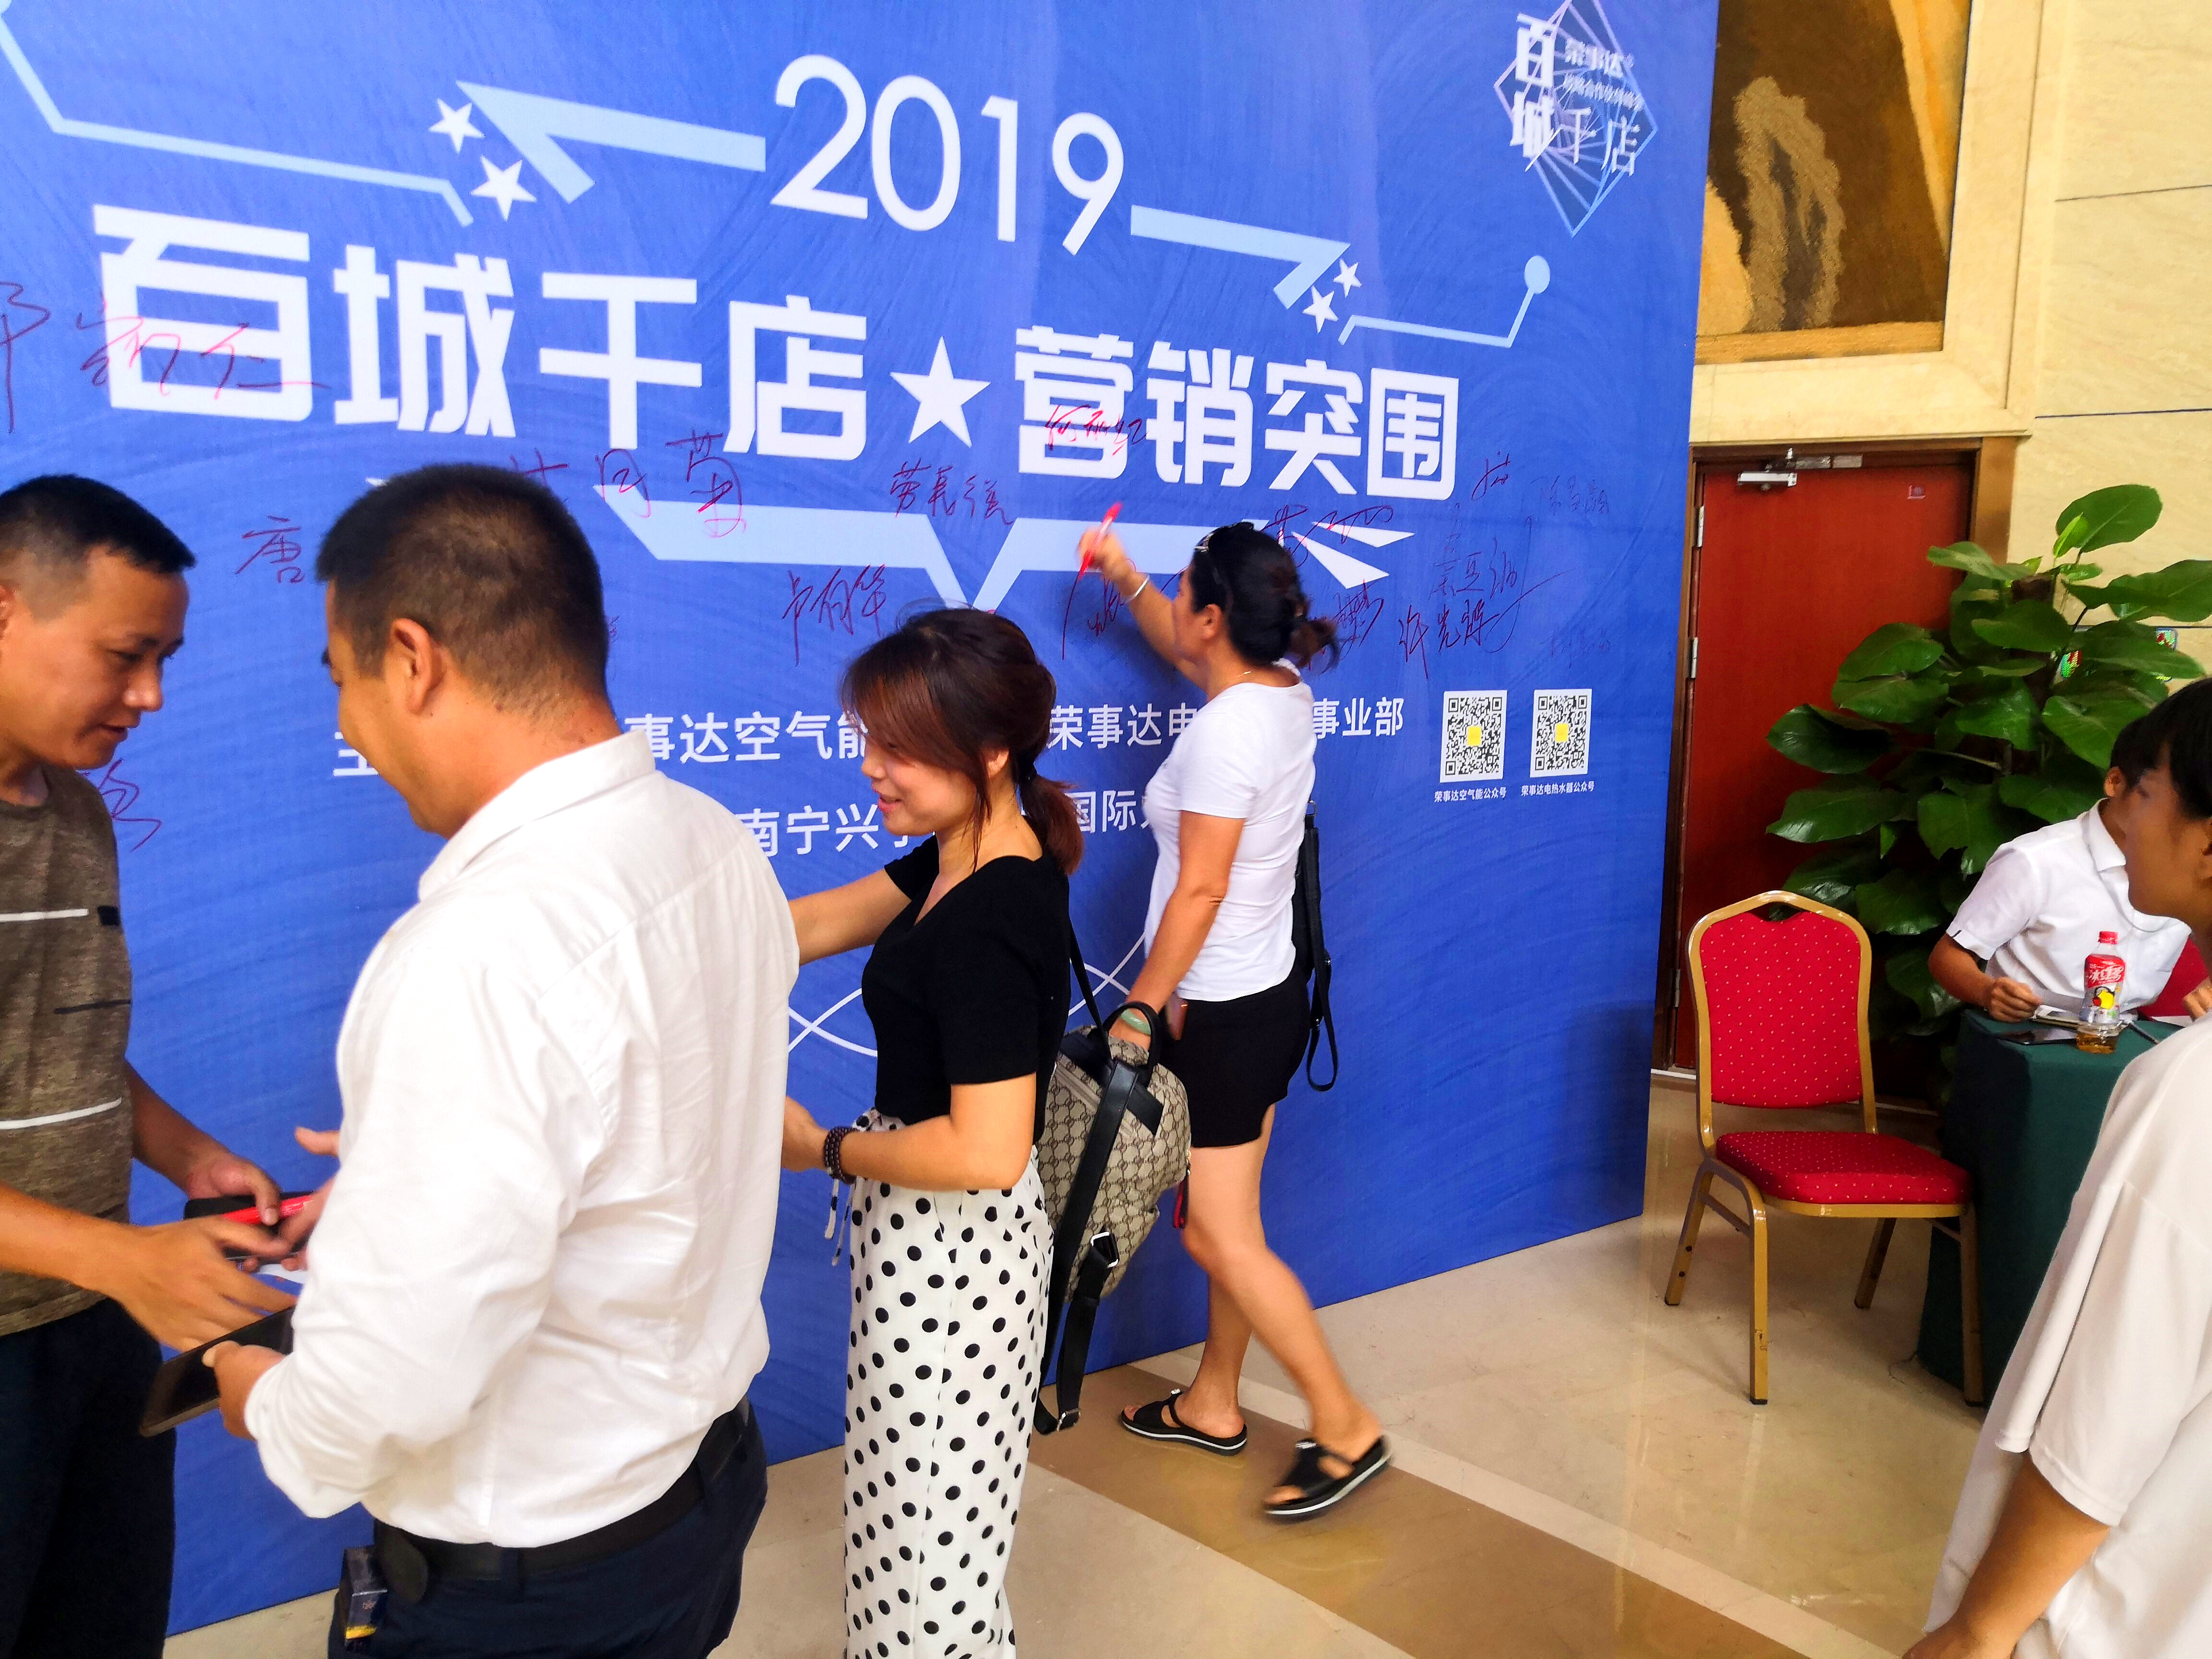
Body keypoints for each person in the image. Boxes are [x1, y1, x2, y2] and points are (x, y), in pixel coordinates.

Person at [204, 465, 795, 1659]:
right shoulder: (713, 841)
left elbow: (394, 1380)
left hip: (532, 1578)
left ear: (411, 659)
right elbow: (644, 1147)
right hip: (698, 1491)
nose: (345, 725)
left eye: (341, 678)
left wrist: (266, 1399)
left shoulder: (476, 951)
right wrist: (400, 1181)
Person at [0, 474, 292, 1659]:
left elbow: (61, 1040)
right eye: (125, 655)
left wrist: (191, 1157)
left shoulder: (76, 809)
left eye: (164, 659)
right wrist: (122, 1259)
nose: (151, 696)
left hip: (97, 1318)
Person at [781, 608, 1079, 1659]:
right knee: (912, 1540)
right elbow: (814, 923)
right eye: (871, 740)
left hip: (955, 1267)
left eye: (900, 746)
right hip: (920, 1247)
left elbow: (984, 1152)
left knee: (929, 1568)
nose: (873, 767)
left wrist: (821, 1149)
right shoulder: (955, 857)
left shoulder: (995, 913)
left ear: (989, 751)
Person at [1082, 522, 1387, 1521]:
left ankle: (1344, 1424)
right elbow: (1181, 648)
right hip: (1264, 996)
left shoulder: (1225, 733)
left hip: (1217, 1010)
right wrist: (1126, 577)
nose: (1173, 605)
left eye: (1182, 592)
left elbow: (1201, 888)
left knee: (1217, 1236)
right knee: (1232, 1223)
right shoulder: (1281, 693)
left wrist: (1141, 1002)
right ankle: (1214, 1402)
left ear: (1214, 619)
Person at [1910, 676, 2212, 1659]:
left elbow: (2107, 1414)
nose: (2134, 819)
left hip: (2115, 1601)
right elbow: (1953, 957)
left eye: (2156, 792)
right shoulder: (2036, 861)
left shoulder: (2189, 1096)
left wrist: (1980, 1629)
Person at [1931, 710, 2212, 1021]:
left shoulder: (2190, 864)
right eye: (2152, 798)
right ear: (2115, 782)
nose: (2167, 818)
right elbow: (1947, 956)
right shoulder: (2035, 859)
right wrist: (1988, 991)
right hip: (2028, 1026)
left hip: (2126, 1030)